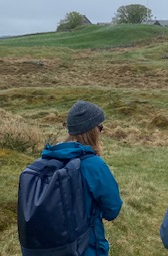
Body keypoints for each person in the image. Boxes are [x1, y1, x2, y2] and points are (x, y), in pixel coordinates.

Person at [41, 100, 123, 256]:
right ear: (93, 131)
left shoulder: (48, 159)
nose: (101, 131)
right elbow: (113, 209)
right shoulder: (94, 165)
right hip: (86, 248)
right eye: (100, 127)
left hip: (50, 247)